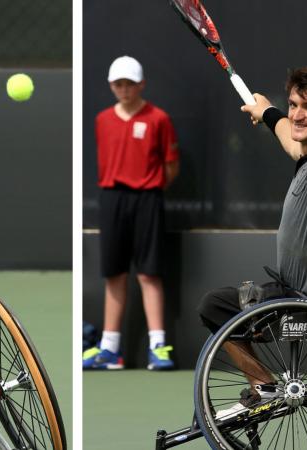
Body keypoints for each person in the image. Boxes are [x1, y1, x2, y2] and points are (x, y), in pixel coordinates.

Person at [197, 66, 307, 418]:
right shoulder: (304, 154)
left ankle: (264, 387)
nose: (298, 114)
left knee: (215, 306)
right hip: (293, 290)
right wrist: (268, 111)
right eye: (293, 104)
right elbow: (290, 138)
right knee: (220, 304)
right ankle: (265, 386)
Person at [82, 56, 180, 371]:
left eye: (129, 83)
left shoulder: (159, 119)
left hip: (148, 200)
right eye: (118, 84)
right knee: (114, 274)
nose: (124, 89)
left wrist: (150, 188)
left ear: (141, 84)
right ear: (112, 86)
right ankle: (110, 349)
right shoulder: (102, 120)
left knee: (149, 273)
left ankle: (158, 346)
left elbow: (171, 166)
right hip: (112, 200)